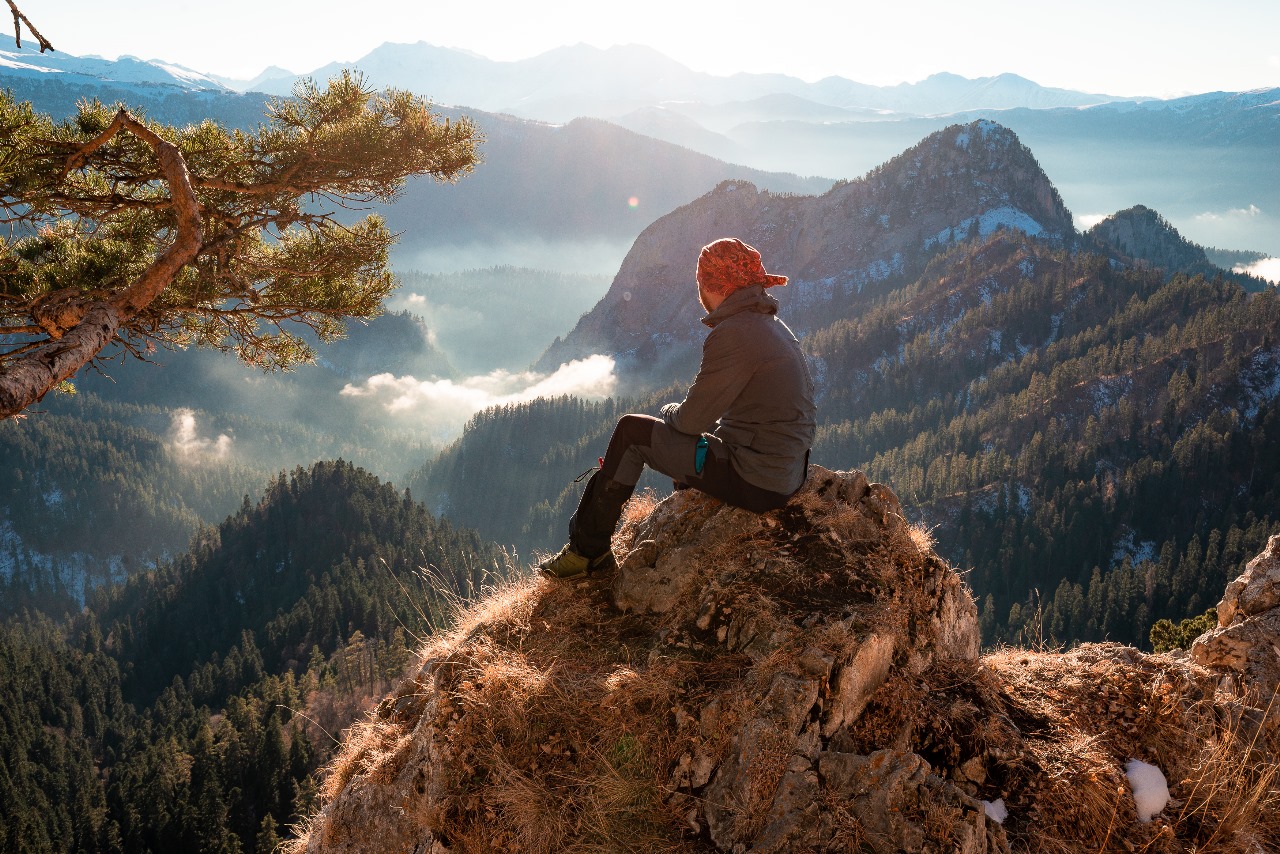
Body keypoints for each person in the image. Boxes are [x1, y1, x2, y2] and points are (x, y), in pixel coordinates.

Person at [540, 237, 816, 579]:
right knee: (698, 436)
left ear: (709, 285)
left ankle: (585, 554)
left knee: (631, 432)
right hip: (787, 473)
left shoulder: (734, 332)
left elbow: (690, 420)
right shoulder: (770, 325)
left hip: (758, 480)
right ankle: (688, 498)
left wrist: (669, 411)